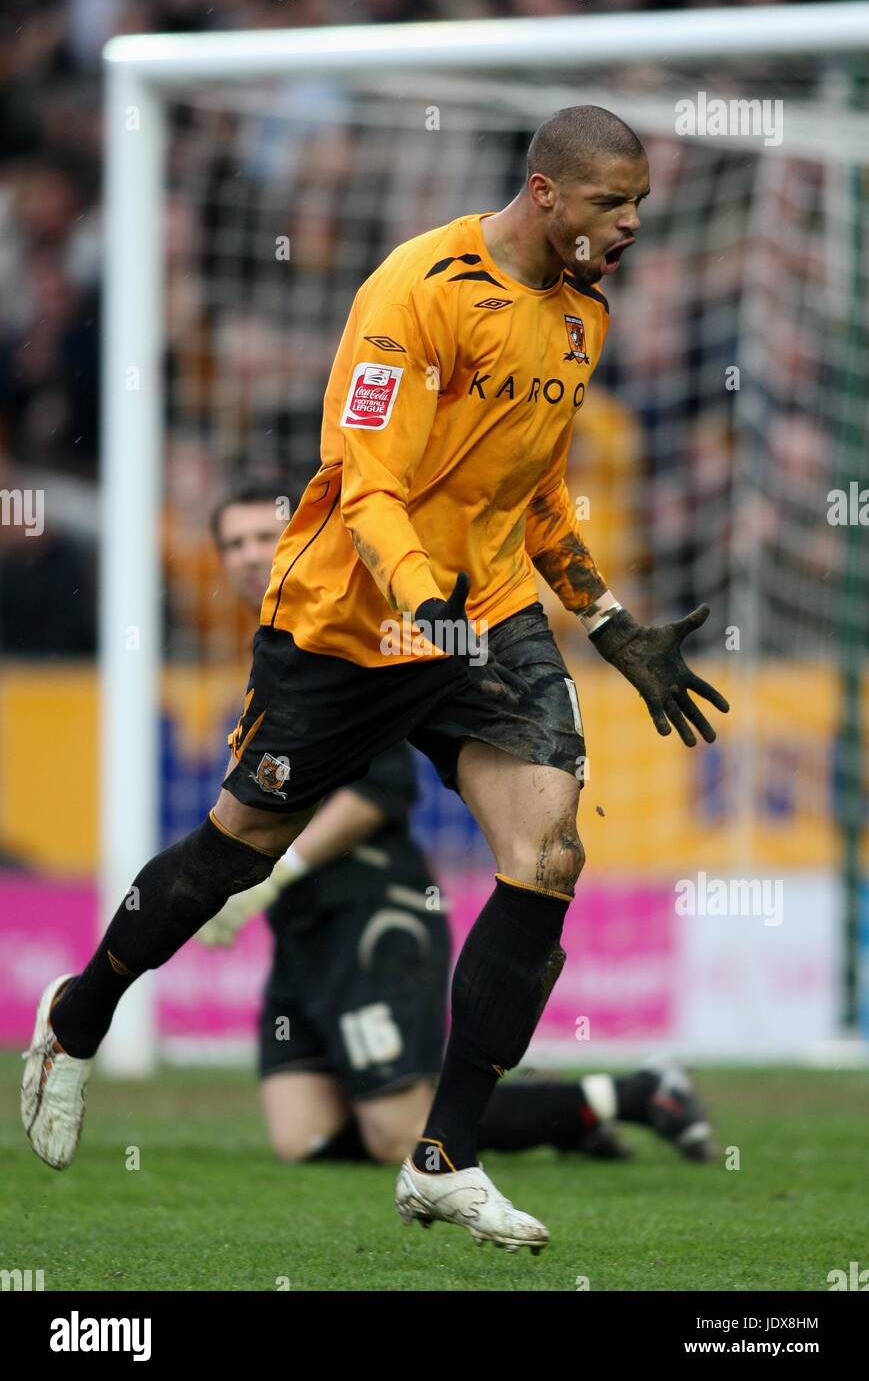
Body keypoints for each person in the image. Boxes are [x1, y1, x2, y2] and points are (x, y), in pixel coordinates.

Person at [23, 106, 728, 1253]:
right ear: (547, 193)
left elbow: (534, 490)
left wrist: (601, 615)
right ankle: (80, 1013)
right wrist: (416, 598)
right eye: (613, 202)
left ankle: (445, 1157)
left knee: (547, 848)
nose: (633, 223)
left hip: (481, 613)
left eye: (638, 203)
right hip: (351, 619)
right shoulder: (417, 286)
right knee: (233, 849)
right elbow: (365, 478)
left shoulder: (579, 314)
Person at [199, 481, 712, 1168]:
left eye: (263, 538)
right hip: (303, 925)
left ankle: (626, 1094)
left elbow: (378, 792)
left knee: (397, 1132)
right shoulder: (272, 634)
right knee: (304, 1140)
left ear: (304, 536)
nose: (247, 555)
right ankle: (522, 1109)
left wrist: (270, 874)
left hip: (370, 909)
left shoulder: (348, 628)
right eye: (232, 543)